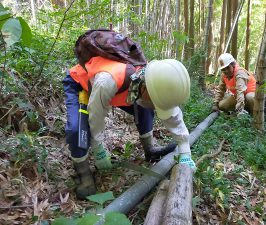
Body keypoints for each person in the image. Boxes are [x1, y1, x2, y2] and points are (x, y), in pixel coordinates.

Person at [63, 56, 196, 199]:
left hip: (116, 88)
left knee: (145, 107)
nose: (156, 107)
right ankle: (83, 173)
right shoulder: (107, 83)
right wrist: (97, 148)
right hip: (82, 83)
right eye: (155, 102)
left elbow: (172, 113)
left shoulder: (154, 78)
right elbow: (96, 115)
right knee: (77, 130)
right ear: (144, 87)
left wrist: (184, 149)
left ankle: (149, 148)